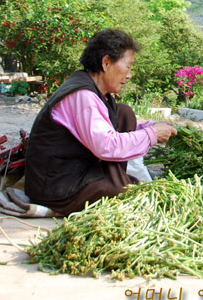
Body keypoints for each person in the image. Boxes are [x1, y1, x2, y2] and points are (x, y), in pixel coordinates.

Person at [24, 28, 176, 216]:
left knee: (123, 113)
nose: (129, 75)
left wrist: (149, 128)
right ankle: (113, 183)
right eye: (128, 67)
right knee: (127, 193)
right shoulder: (83, 96)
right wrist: (151, 135)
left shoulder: (98, 94)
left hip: (73, 171)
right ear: (106, 63)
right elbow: (106, 145)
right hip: (57, 186)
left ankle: (116, 180)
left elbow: (104, 128)